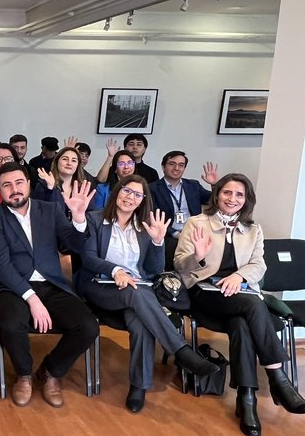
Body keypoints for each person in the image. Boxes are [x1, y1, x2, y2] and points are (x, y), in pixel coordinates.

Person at [174, 173, 305, 435]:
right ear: (217, 194)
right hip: (205, 293)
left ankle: (246, 399)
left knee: (241, 324)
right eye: (227, 192)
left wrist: (238, 276)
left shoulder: (253, 229)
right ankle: (278, 378)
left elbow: (259, 265)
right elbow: (180, 265)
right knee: (253, 307)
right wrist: (199, 257)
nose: (232, 199)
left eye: (239, 194)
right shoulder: (197, 223)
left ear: (246, 199)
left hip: (240, 293)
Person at [77, 176, 218, 413]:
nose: (130, 197)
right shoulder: (95, 219)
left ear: (143, 200)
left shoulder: (144, 227)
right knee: (138, 294)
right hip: (101, 286)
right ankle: (181, 351)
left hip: (137, 292)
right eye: (126, 191)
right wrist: (116, 270)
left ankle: (139, 387)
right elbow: (89, 258)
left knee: (141, 321)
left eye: (137, 195)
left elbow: (153, 271)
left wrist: (158, 241)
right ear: (117, 191)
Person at [0, 162, 98, 408]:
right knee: (11, 324)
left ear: (28, 184)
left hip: (51, 284)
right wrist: (31, 298)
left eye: (18, 183)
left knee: (88, 326)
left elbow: (73, 246)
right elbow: (1, 265)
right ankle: (24, 375)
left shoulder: (50, 210)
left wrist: (78, 219)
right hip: (12, 286)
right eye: (6, 185)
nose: (14, 189)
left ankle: (51, 372)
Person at [149, 151, 219, 264]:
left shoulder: (193, 185)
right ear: (163, 166)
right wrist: (177, 234)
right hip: (170, 235)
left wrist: (215, 185)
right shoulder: (152, 188)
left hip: (195, 233)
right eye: (172, 164)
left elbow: (214, 200)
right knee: (171, 247)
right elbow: (151, 215)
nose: (177, 168)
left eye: (181, 165)